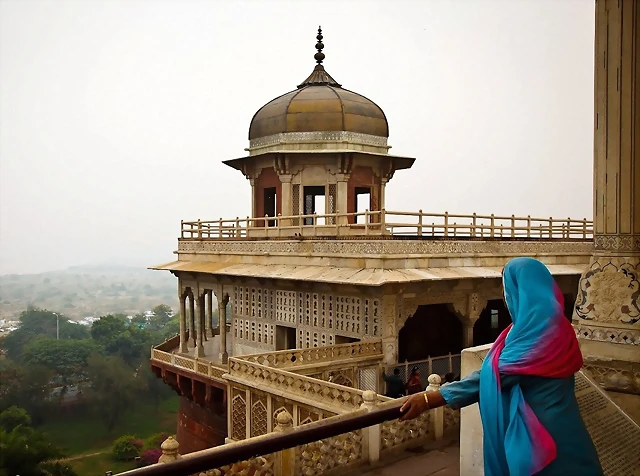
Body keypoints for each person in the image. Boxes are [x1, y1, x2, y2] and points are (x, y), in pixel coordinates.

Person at [399, 257, 603, 476]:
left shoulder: (535, 334)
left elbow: (496, 375)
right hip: (568, 428)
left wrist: (429, 398)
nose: (506, 298)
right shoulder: (560, 327)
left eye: (507, 289)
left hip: (540, 441)